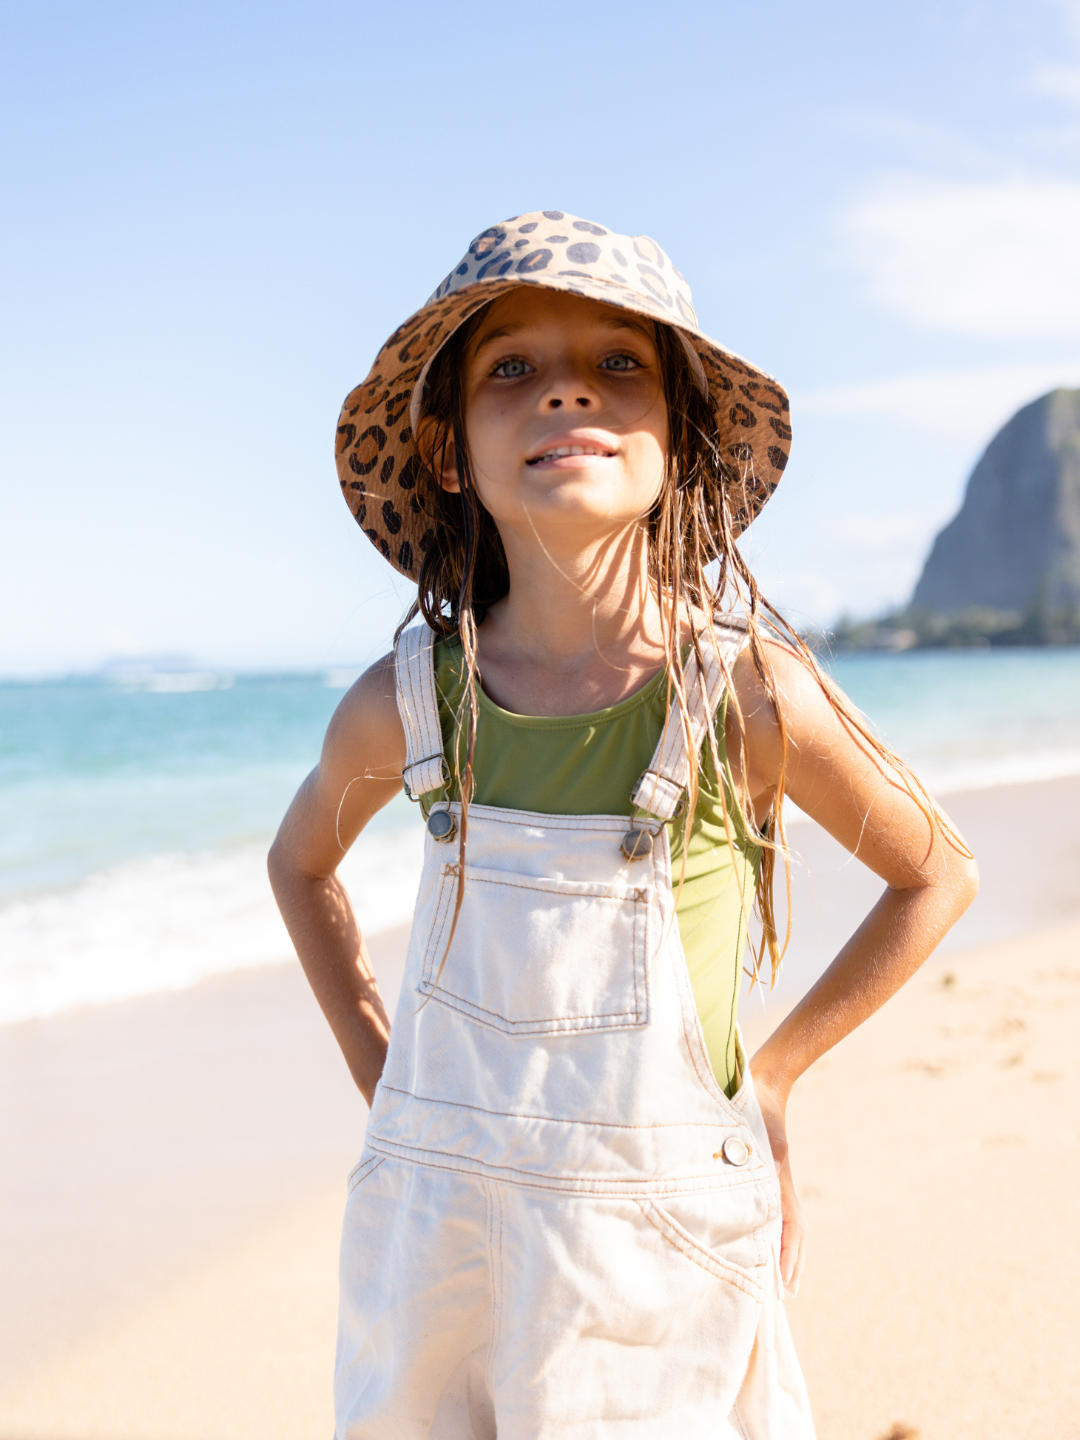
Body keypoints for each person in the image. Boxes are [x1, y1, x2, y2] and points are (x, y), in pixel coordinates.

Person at [268, 210, 978, 1438]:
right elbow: (300, 865)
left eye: (617, 365)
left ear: (677, 433)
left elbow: (937, 874)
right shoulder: (408, 703)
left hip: (660, 1254)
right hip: (436, 1252)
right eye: (512, 370)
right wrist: (381, 1079)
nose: (564, 395)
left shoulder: (743, 692)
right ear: (448, 452)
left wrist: (779, 1076)